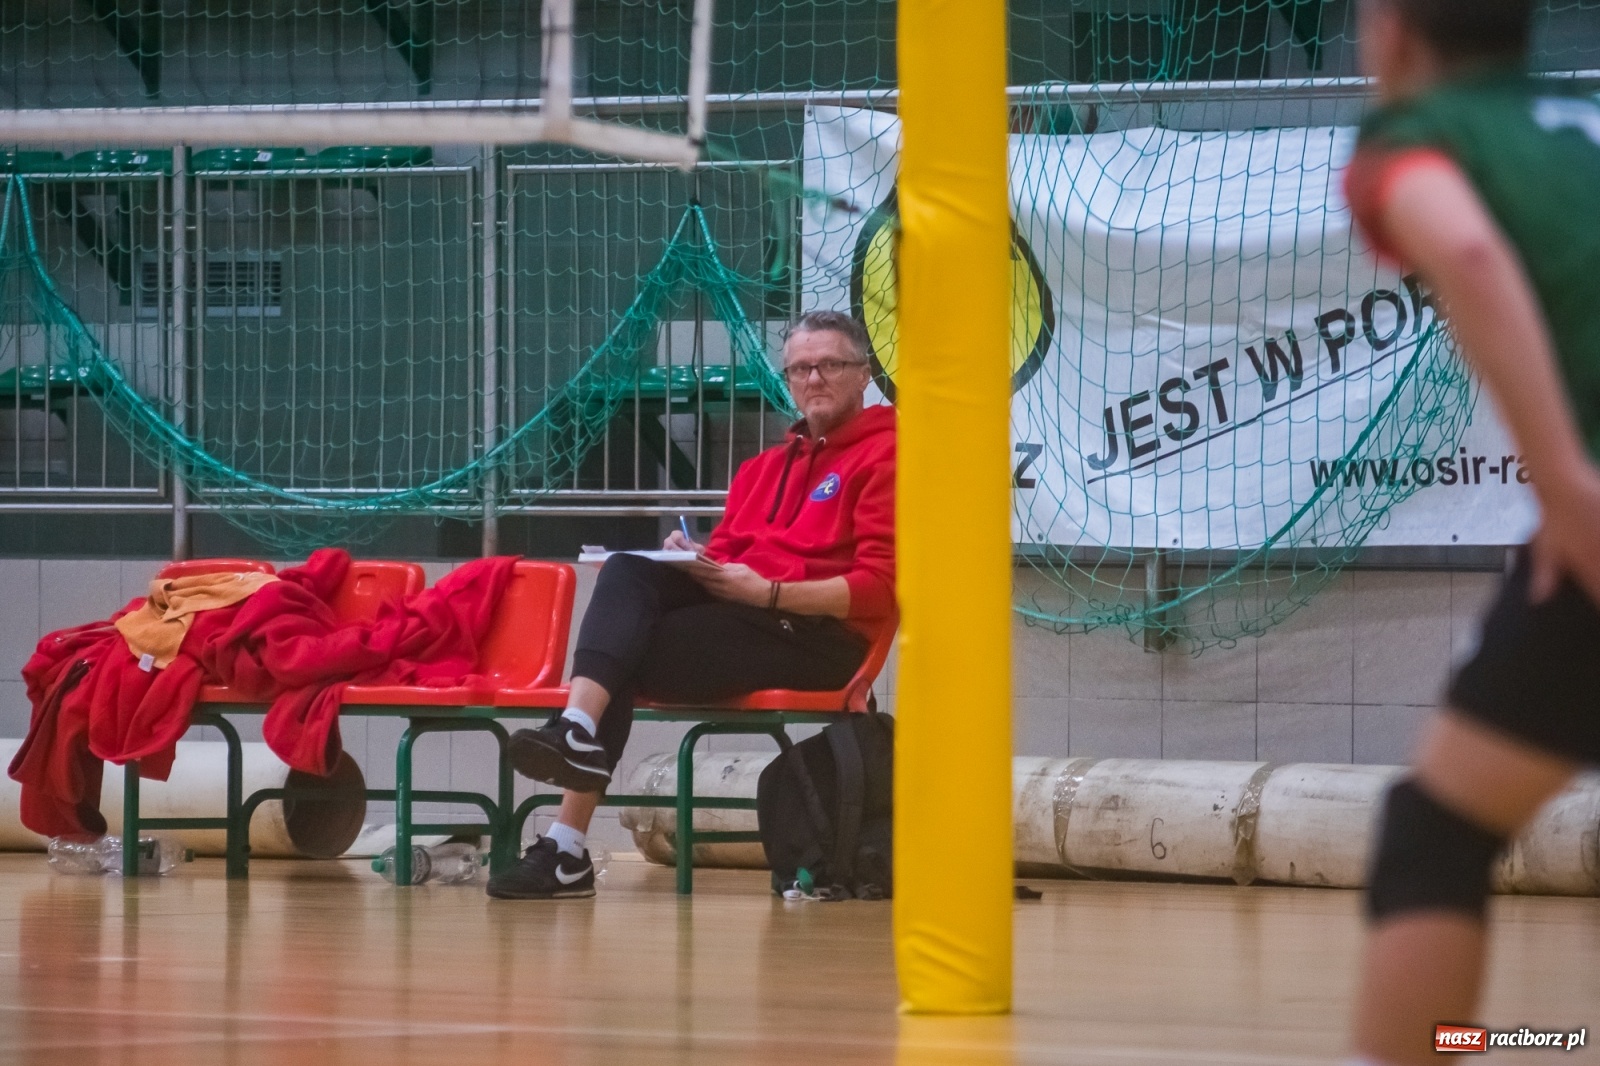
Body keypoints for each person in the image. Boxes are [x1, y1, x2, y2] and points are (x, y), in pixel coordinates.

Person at [1341, 1, 1600, 1063]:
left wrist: (1565, 489)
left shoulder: (1413, 139)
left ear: (1389, 31)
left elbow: (1472, 256)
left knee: (1433, 835)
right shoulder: (1568, 131)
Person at [486, 310, 897, 900]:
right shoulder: (763, 469)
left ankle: (565, 845)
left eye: (831, 364)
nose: (815, 378)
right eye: (802, 367)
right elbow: (732, 554)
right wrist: (694, 559)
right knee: (631, 570)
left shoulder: (890, 455)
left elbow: (881, 587)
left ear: (863, 375)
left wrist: (769, 592)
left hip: (820, 638)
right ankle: (573, 742)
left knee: (621, 656)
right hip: (746, 617)